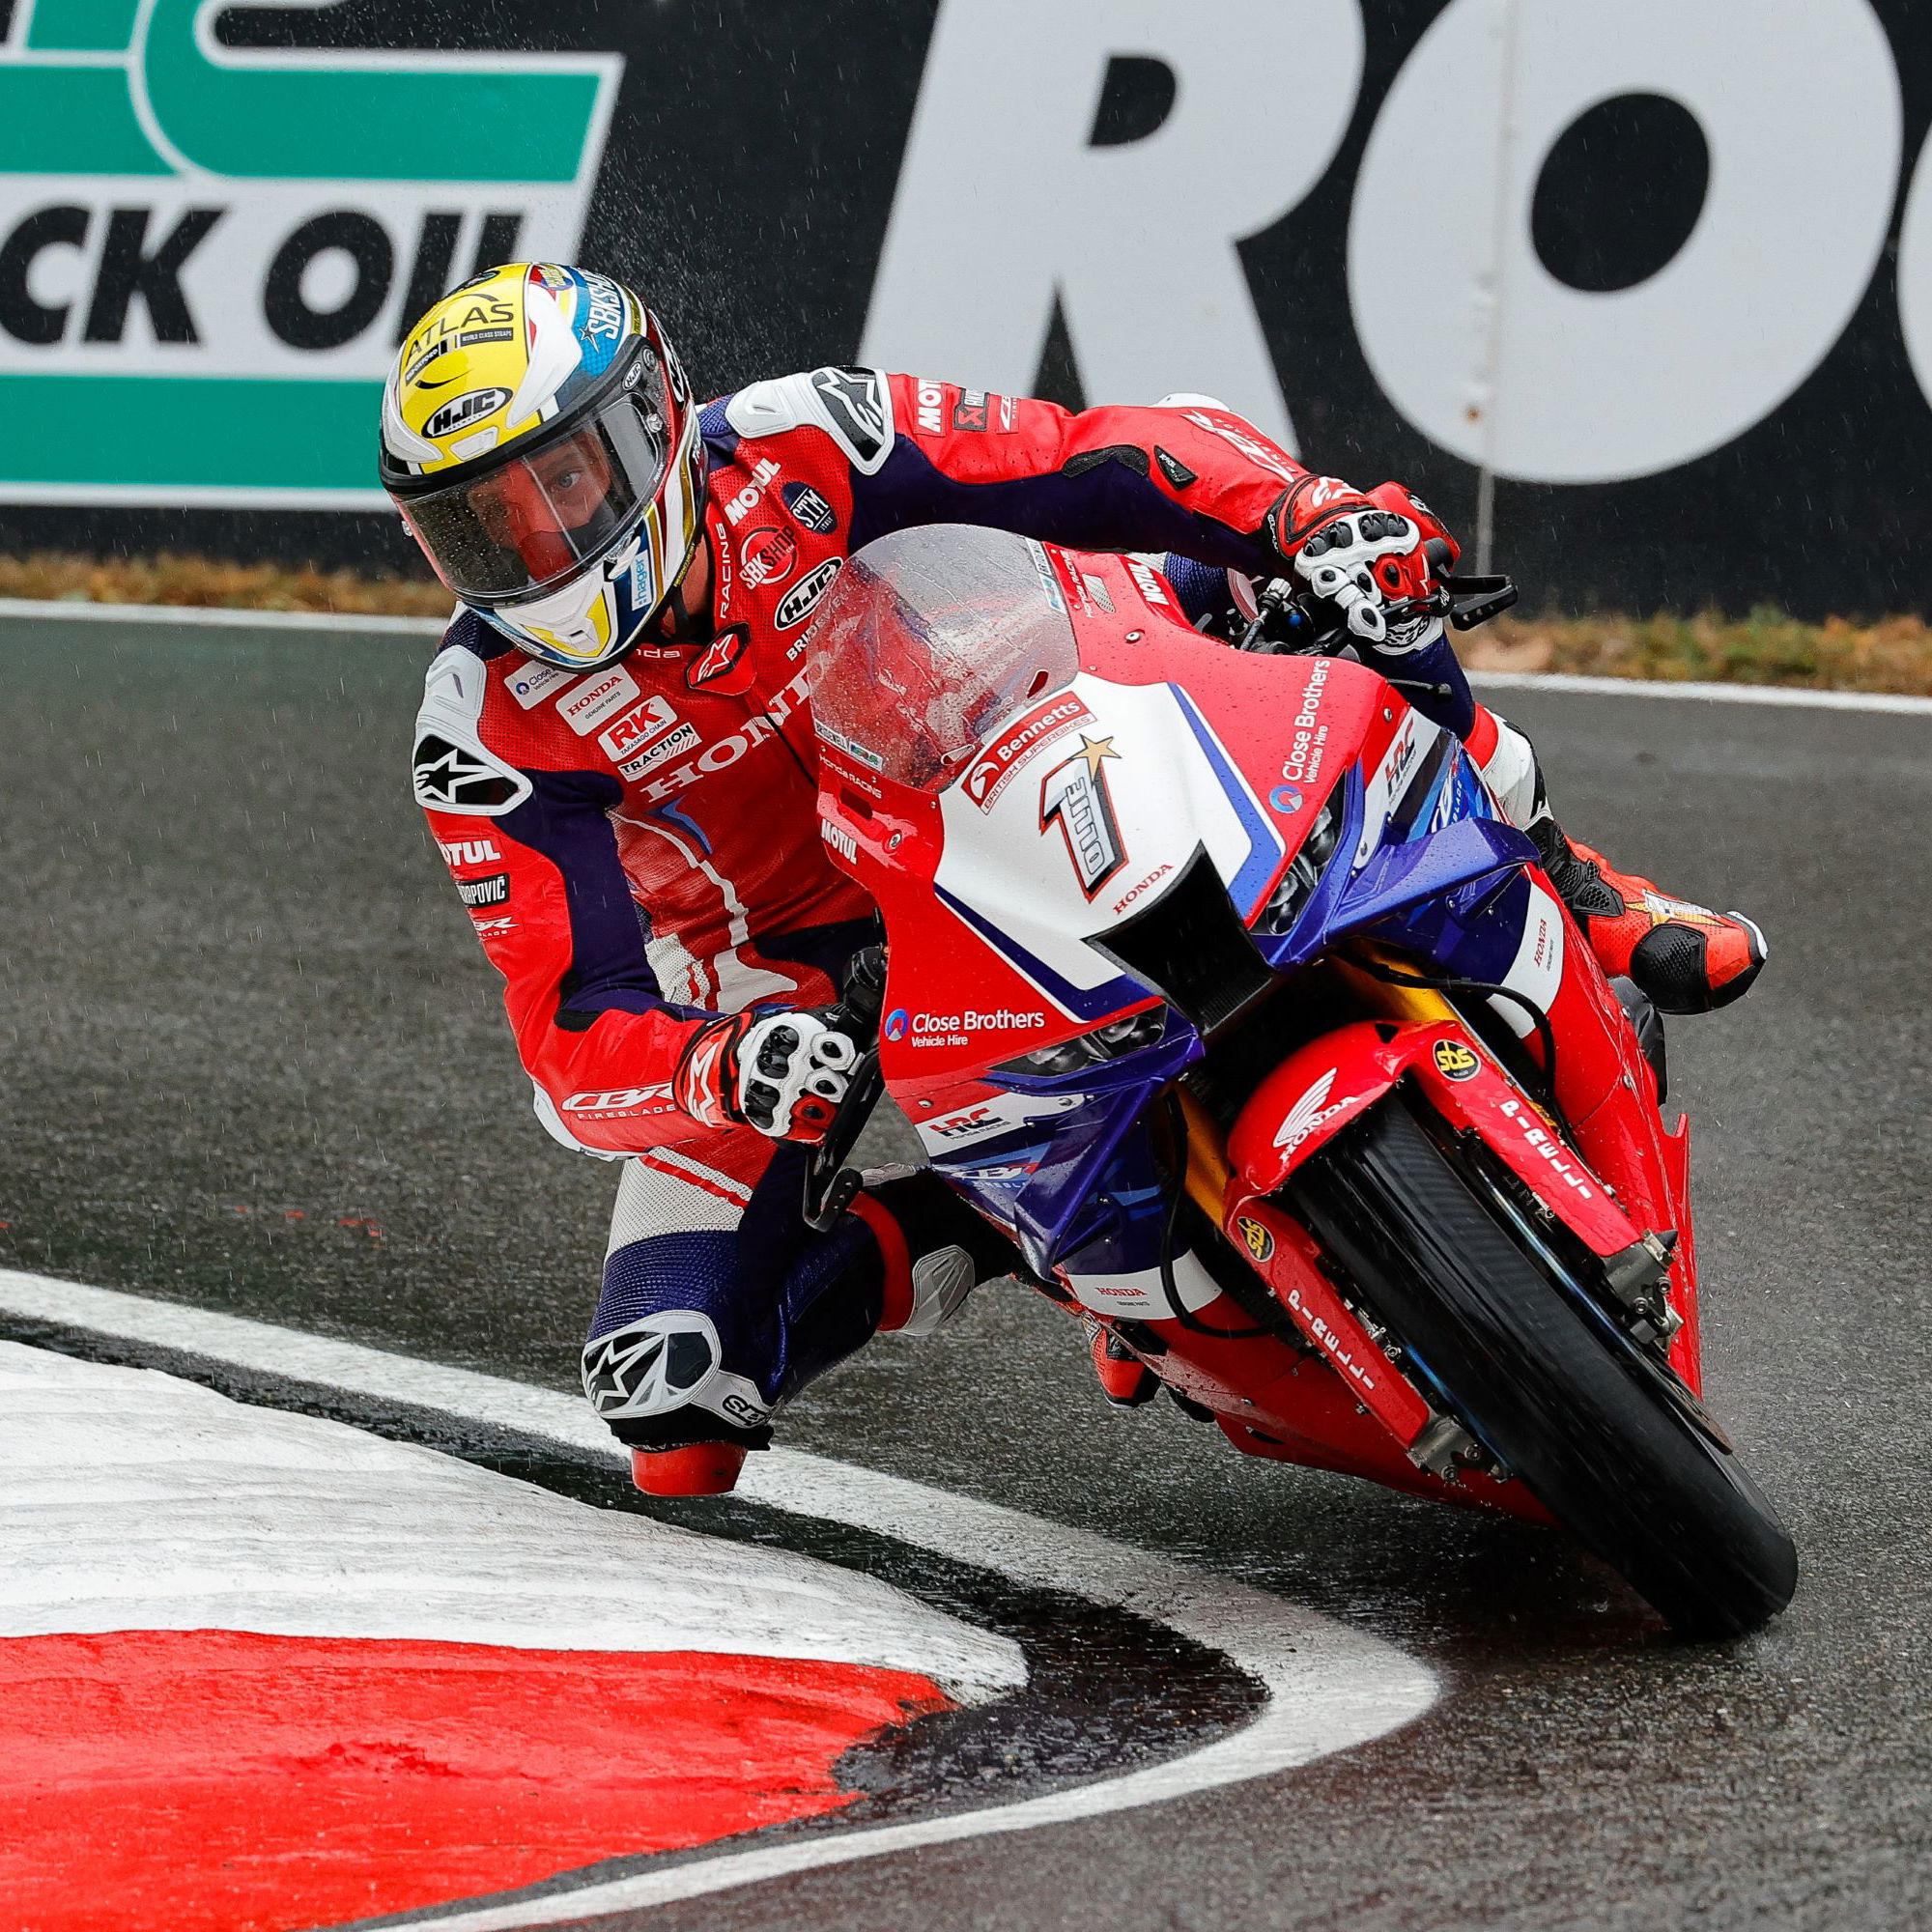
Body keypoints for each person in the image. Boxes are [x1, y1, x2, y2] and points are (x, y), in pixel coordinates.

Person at [384, 263, 1766, 1493]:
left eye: (560, 485)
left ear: (655, 421)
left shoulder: (807, 439)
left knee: (1344, 563)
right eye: (483, 528)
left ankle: (1573, 880)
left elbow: (1087, 454)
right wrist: (723, 1066)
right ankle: (1018, 1227)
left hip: (993, 742)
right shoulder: (482, 721)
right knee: (674, 1397)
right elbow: (568, 1035)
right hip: (793, 975)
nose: (542, 551)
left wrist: (1304, 512)